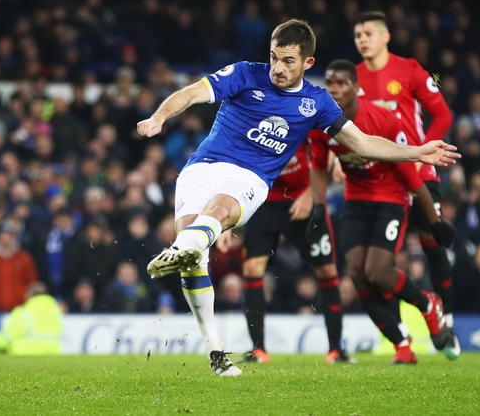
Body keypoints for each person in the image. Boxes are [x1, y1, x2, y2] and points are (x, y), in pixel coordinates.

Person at [136, 19, 460, 377]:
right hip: (202, 167)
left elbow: (364, 143)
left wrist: (417, 152)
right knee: (192, 258)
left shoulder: (317, 101)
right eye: (274, 57)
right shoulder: (244, 73)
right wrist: (158, 116)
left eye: (288, 60)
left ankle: (190, 245)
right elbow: (192, 92)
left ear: (307, 63)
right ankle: (215, 350)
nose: (277, 67)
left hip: (250, 178)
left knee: (216, 214)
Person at [308, 59, 456, 364]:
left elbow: (408, 173)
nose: (334, 89)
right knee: (357, 276)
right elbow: (320, 166)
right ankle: (402, 344)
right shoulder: (320, 123)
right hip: (356, 197)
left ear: (357, 89)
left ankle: (428, 305)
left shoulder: (383, 120)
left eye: (341, 83)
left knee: (377, 272)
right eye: (330, 83)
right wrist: (319, 206)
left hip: (391, 196)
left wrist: (434, 219)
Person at [353, 11, 459, 360]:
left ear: (385, 37)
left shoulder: (410, 69)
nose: (362, 40)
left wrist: (421, 152)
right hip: (382, 183)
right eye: (357, 35)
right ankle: (403, 344)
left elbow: (443, 115)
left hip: (420, 174)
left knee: (432, 243)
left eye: (368, 33)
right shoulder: (352, 79)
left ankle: (447, 321)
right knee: (383, 265)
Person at [238, 139, 350, 364]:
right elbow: (236, 165)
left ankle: (336, 350)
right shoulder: (254, 116)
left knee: (327, 270)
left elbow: (325, 152)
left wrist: (311, 195)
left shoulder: (306, 112)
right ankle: (258, 350)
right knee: (251, 268)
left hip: (304, 197)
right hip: (266, 202)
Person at [0, 282, 63, 355]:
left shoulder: (24, 313)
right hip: (53, 352)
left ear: (28, 295)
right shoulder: (56, 313)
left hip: (27, 352)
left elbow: (7, 338)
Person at [0, 222, 38, 313]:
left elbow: (32, 284)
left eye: (8, 235)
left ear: (13, 237)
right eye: (3, 235)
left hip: (20, 310)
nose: (5, 238)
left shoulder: (24, 258)